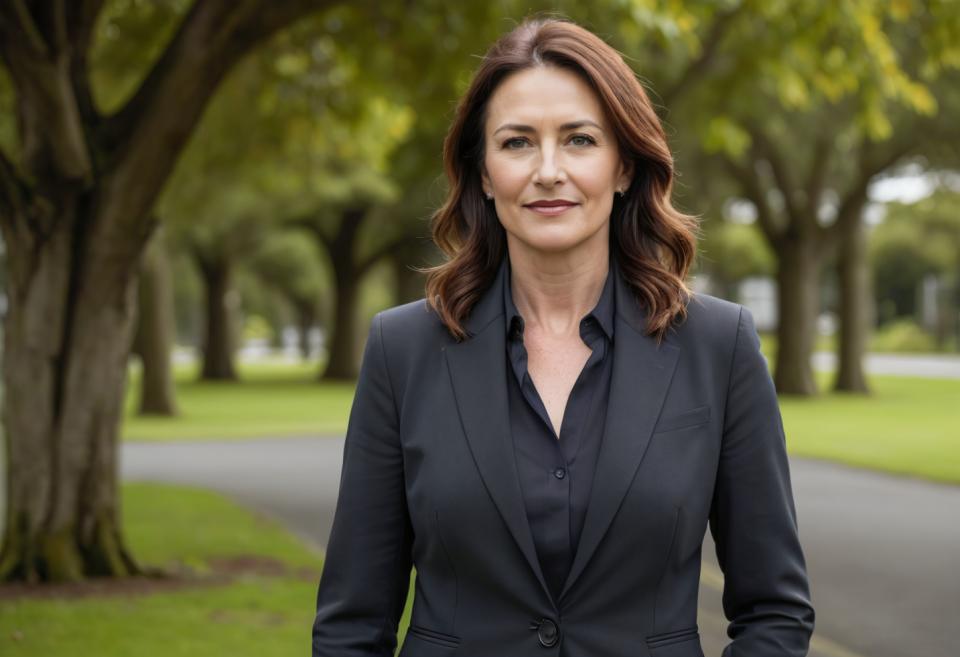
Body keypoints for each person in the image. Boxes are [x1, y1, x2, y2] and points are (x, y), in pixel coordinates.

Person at [312, 16, 814, 657]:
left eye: (579, 140)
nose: (548, 171)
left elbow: (774, 610)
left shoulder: (720, 346)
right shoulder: (402, 350)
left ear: (624, 165)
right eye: (517, 143)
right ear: (485, 174)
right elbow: (352, 624)